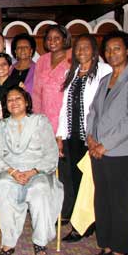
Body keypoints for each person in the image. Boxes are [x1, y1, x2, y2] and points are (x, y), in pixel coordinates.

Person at [0, 86, 63, 255]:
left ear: (26, 102)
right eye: (10, 100)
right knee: (3, 187)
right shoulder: (1, 125)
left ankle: (40, 241)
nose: (14, 102)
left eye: (18, 99)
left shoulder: (40, 121)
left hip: (38, 170)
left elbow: (51, 152)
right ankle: (8, 241)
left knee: (40, 190)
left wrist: (32, 172)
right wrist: (13, 172)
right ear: (5, 105)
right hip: (10, 171)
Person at [56, 34, 112, 243]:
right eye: (78, 48)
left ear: (94, 50)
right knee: (75, 180)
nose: (81, 51)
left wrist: (96, 137)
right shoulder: (71, 73)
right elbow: (64, 107)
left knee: (93, 183)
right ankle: (82, 222)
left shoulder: (105, 71)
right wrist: (60, 135)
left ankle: (90, 223)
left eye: (86, 47)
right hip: (72, 137)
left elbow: (104, 108)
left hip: (93, 137)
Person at [86, 31, 128, 255]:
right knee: (102, 198)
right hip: (98, 151)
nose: (112, 53)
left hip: (123, 152)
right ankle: (106, 244)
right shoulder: (106, 79)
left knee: (121, 202)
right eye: (108, 49)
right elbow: (93, 112)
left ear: (127, 50)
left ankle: (120, 249)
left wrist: (104, 145)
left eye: (117, 48)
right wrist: (90, 137)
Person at [32, 25, 72, 221]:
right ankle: (47, 208)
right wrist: (37, 122)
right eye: (49, 38)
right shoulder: (42, 60)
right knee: (47, 168)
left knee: (65, 170)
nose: (53, 41)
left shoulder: (74, 57)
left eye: (57, 37)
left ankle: (65, 211)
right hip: (45, 123)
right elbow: (37, 94)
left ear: (65, 39)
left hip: (67, 123)